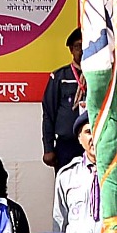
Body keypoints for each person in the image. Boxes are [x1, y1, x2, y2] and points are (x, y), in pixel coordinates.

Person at [42, 29, 85, 170]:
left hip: (95, 144)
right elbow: (49, 113)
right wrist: (48, 148)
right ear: (71, 50)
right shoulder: (60, 77)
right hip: (67, 146)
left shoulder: (102, 76)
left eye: (86, 46)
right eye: (78, 47)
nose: (82, 51)